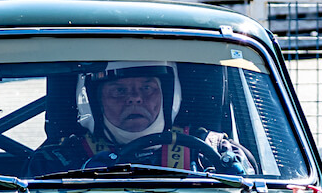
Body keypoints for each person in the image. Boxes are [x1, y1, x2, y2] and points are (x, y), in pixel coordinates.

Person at [29, 62, 256, 176]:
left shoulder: (215, 155)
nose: (135, 98)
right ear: (94, 102)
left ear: (169, 97)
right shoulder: (55, 163)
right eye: (119, 91)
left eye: (147, 88)